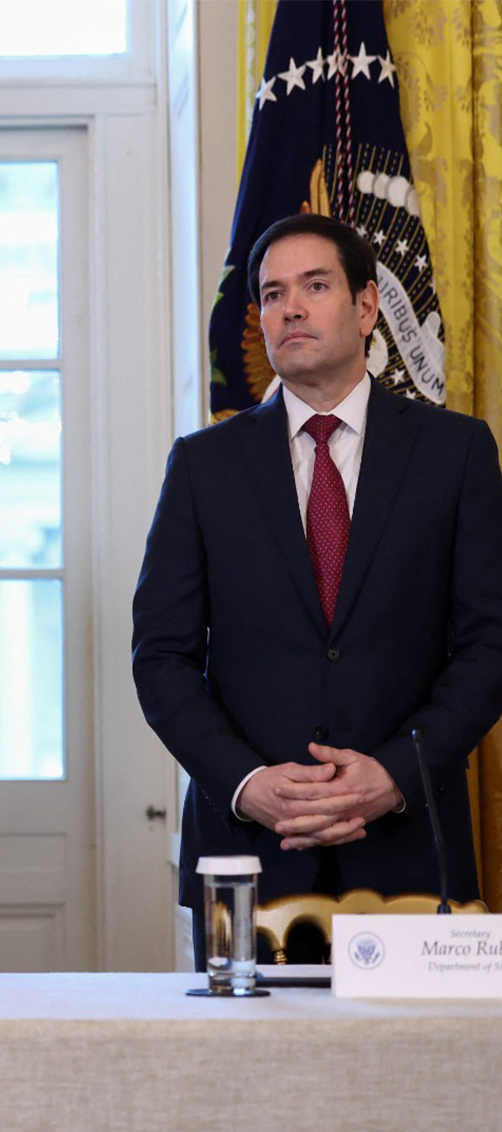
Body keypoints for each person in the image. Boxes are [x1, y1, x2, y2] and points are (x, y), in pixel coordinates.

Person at [132, 212, 502, 960]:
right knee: (243, 1079)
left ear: (367, 307)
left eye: (314, 286)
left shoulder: (455, 453)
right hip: (246, 855)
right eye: (271, 295)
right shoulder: (203, 466)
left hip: (408, 848)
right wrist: (247, 783)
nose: (289, 308)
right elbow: (161, 657)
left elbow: (489, 644)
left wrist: (394, 774)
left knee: (419, 1078)